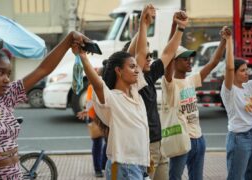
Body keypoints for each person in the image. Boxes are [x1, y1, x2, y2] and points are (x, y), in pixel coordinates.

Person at [0, 31, 88, 179]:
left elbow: (42, 70)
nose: (7, 79)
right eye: (1, 73)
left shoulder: (6, 96)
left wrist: (69, 39)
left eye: (8, 74)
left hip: (16, 174)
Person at [72, 4, 155, 179]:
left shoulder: (135, 92)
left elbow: (139, 52)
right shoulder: (111, 98)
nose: (136, 70)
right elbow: (97, 84)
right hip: (124, 167)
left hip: (141, 166)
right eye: (132, 67)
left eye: (136, 67)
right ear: (118, 71)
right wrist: (83, 56)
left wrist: (143, 24)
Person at [124, 10, 188, 180]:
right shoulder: (132, 84)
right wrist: (143, 24)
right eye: (147, 56)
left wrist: (179, 28)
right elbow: (136, 53)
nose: (150, 58)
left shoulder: (150, 75)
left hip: (159, 144)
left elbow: (168, 53)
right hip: (144, 147)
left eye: (151, 55)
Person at [163, 26, 228, 180]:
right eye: (184, 58)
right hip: (182, 141)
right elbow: (167, 53)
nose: (189, 61)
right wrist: (175, 26)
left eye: (190, 58)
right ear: (174, 61)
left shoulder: (191, 80)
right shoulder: (170, 84)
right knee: (175, 177)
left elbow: (214, 62)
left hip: (199, 139)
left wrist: (224, 41)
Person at [220, 28, 252, 180]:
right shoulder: (229, 90)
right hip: (240, 139)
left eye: (247, 70)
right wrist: (229, 40)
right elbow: (229, 67)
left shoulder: (249, 86)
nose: (247, 73)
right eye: (242, 70)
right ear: (233, 73)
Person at [77, 68, 107, 178]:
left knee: (107, 143)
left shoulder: (107, 86)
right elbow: (90, 101)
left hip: (105, 118)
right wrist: (86, 110)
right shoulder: (92, 86)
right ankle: (98, 169)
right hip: (95, 118)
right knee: (98, 143)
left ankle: (102, 165)